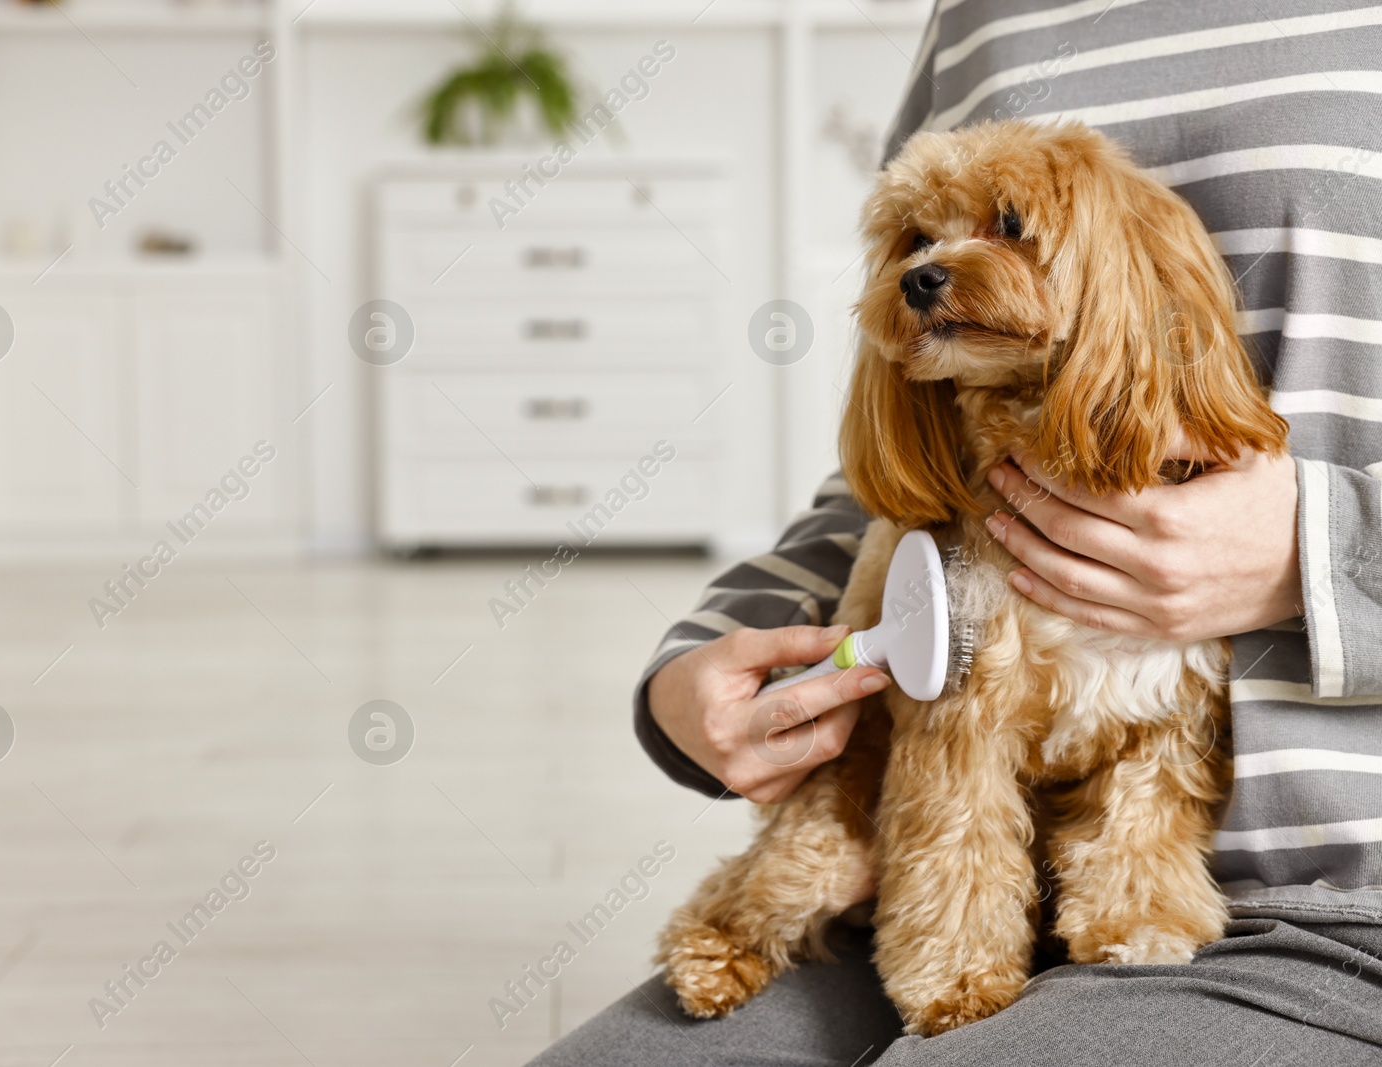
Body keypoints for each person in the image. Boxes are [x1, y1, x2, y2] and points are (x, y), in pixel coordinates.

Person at [531, 1, 1382, 1063]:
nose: (937, 266)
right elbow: (903, 491)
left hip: (1336, 896)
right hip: (947, 869)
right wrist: (700, 672)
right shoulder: (978, 18)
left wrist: (1329, 553)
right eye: (921, 245)